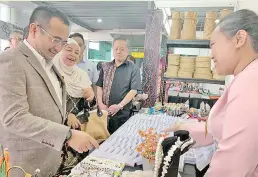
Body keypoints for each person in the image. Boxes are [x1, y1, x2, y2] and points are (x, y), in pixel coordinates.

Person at [0, 6, 98, 176]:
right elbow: (14, 118)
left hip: (51, 160)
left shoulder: (50, 64)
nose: (59, 47)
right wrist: (67, 136)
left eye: (64, 42)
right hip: (25, 165)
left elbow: (50, 105)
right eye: (55, 39)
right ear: (34, 30)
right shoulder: (11, 61)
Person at [164, 9, 258, 177]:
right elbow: (223, 130)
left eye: (212, 45)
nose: (210, 54)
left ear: (239, 39)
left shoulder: (251, 81)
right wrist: (183, 130)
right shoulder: (245, 76)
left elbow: (232, 166)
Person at [53, 38, 96, 175]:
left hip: (79, 128)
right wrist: (66, 114)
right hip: (57, 130)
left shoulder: (81, 75)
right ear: (60, 50)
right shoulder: (51, 71)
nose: (72, 54)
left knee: (75, 169)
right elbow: (45, 103)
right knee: (56, 168)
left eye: (77, 52)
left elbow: (88, 106)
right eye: (68, 49)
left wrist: (91, 97)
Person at [96, 38, 142, 134]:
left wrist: (119, 106)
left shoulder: (133, 68)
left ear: (127, 51)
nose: (118, 52)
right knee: (101, 141)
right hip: (103, 112)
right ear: (113, 50)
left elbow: (134, 90)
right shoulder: (106, 67)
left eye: (122, 49)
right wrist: (100, 103)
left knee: (118, 141)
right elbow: (99, 86)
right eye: (116, 49)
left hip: (121, 114)